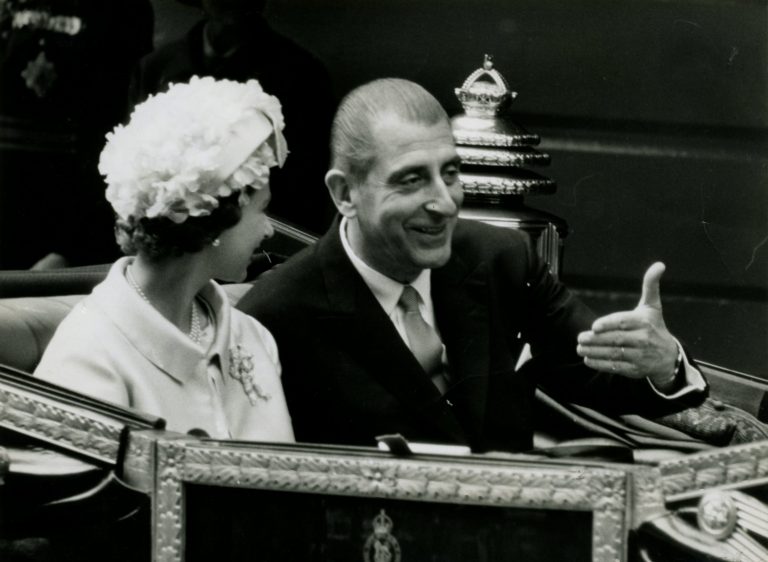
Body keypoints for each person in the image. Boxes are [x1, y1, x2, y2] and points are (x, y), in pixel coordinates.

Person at [236, 78, 707, 453]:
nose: (444, 204)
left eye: (451, 173)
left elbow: (600, 372)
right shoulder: (275, 318)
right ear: (345, 194)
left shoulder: (501, 258)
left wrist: (664, 363)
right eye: (412, 180)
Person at [35, 76, 294, 442]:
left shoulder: (253, 337)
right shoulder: (88, 356)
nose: (267, 230)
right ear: (216, 220)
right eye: (261, 210)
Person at [129, 0, 336, 235]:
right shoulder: (154, 69)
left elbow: (305, 187)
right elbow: (136, 169)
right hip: (171, 238)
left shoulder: (303, 75)